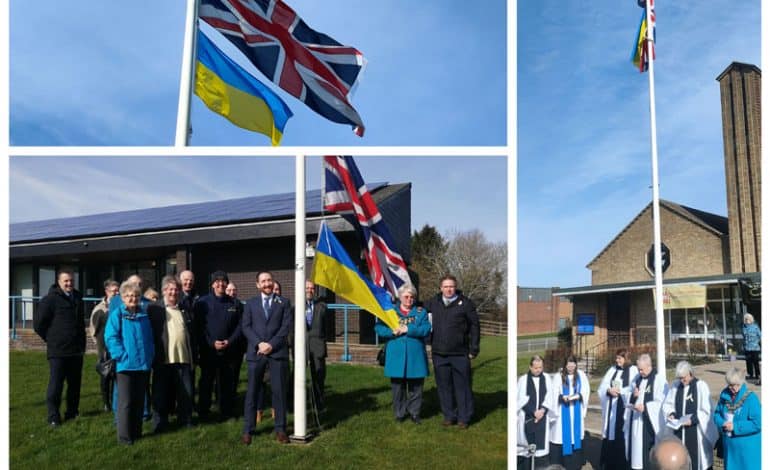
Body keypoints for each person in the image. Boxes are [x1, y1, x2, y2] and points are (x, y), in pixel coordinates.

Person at [241, 271, 293, 445]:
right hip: (256, 354)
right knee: (252, 393)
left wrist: (271, 345)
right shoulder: (250, 303)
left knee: (279, 393)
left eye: (269, 280)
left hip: (277, 353)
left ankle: (280, 429)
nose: (267, 284)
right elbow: (246, 327)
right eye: (263, 281)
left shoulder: (284, 303)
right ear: (257, 285)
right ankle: (248, 430)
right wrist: (259, 344)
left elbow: (285, 327)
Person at [423, 275, 480, 429]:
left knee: (463, 387)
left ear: (455, 287)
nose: (448, 289)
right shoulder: (433, 303)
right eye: (445, 286)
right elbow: (419, 313)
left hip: (460, 354)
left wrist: (473, 349)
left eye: (451, 286)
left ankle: (464, 418)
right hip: (439, 354)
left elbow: (475, 327)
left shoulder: (466, 304)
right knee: (444, 387)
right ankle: (449, 416)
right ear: (440, 288)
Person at [33, 268, 86, 427]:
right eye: (66, 281)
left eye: (71, 280)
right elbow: (38, 325)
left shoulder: (78, 297)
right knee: (56, 384)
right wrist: (51, 339)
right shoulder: (50, 300)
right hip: (58, 350)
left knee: (75, 384)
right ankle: (53, 416)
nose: (69, 283)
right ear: (59, 282)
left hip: (76, 350)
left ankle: (72, 412)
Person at [104, 281, 155, 445]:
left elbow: (150, 339)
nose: (133, 298)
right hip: (125, 365)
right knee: (125, 403)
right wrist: (121, 356)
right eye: (129, 296)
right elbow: (111, 337)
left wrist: (150, 355)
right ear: (123, 298)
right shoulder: (117, 314)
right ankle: (124, 437)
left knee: (139, 401)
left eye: (136, 295)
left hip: (142, 365)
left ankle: (137, 432)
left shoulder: (144, 315)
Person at [374, 284, 431, 425]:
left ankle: (414, 413)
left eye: (412, 297)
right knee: (397, 387)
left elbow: (426, 329)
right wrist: (390, 332)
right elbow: (378, 328)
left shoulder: (421, 312)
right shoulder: (390, 311)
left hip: (415, 355)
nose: (409, 299)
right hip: (396, 355)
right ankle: (399, 413)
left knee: (416, 387)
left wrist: (408, 329)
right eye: (406, 296)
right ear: (400, 297)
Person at [148, 275, 196, 432]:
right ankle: (160, 423)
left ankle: (186, 420)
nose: (173, 292)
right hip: (163, 359)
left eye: (176, 289)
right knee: (160, 395)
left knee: (186, 393)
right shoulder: (155, 309)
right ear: (163, 291)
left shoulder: (184, 310)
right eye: (170, 289)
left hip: (183, 359)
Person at [195, 270, 243, 420]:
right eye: (217, 281)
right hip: (209, 350)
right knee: (206, 382)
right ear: (212, 284)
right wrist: (211, 343)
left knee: (227, 382)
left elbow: (241, 326)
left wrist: (229, 341)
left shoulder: (235, 303)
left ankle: (227, 411)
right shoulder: (202, 303)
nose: (220, 284)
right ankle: (204, 411)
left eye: (223, 281)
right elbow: (199, 327)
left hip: (229, 351)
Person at [661, 361, 718, 470]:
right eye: (680, 378)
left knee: (697, 462)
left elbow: (706, 411)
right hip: (679, 432)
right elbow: (668, 404)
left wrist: (692, 420)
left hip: (695, 432)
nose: (682, 380)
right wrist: (671, 414)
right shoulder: (675, 386)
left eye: (684, 377)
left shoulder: (701, 386)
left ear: (690, 373)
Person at [623, 353, 667, 470]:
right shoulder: (637, 379)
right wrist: (633, 395)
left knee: (648, 456)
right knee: (636, 455)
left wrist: (646, 408)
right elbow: (627, 395)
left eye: (641, 369)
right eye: (638, 369)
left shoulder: (659, 380)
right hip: (636, 422)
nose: (640, 372)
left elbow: (663, 401)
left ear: (649, 366)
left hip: (649, 424)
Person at [713, 366, 761, 469]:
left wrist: (735, 427)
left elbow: (758, 424)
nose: (733, 388)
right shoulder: (724, 395)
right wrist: (722, 423)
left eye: (737, 385)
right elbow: (717, 414)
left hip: (747, 452)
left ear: (742, 383)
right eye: (730, 385)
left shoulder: (751, 398)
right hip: (730, 450)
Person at [598, 348, 638, 470]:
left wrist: (621, 391)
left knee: (622, 435)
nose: (617, 360)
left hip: (624, 409)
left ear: (626, 358)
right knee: (610, 435)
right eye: (616, 358)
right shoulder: (612, 370)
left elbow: (634, 388)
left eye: (619, 358)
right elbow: (602, 386)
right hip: (611, 409)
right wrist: (608, 390)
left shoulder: (633, 370)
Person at [549, 356, 590, 470]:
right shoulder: (558, 376)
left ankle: (575, 464)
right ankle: (560, 463)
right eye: (568, 363)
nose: (571, 366)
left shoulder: (581, 375)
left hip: (576, 410)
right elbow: (553, 394)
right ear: (565, 364)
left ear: (576, 364)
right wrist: (562, 398)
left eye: (573, 363)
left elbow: (585, 391)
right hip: (563, 412)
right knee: (561, 437)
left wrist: (579, 396)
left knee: (575, 438)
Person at [517, 355, 554, 468]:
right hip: (527, 416)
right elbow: (520, 399)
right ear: (530, 367)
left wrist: (542, 410)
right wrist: (533, 412)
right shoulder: (523, 380)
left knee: (540, 451)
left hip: (542, 417)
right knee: (527, 449)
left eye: (540, 367)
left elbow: (550, 396)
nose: (538, 370)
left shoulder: (547, 378)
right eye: (536, 368)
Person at [90, 279, 120, 411]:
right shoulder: (100, 309)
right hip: (104, 349)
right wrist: (100, 348)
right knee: (106, 375)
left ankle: (115, 400)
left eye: (118, 290)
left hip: (118, 346)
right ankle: (106, 402)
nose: (116, 293)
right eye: (114, 291)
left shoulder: (120, 305)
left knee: (117, 375)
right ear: (107, 292)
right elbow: (93, 330)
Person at [303, 280, 328, 410]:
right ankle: (298, 404)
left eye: (312, 288)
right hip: (302, 347)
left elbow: (326, 328)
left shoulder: (322, 307)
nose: (309, 290)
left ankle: (319, 404)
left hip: (317, 347)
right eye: (307, 287)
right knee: (298, 377)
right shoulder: (295, 306)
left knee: (318, 376)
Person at [742, 313, 761, 383]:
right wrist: (744, 345)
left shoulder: (755, 327)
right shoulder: (744, 327)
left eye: (748, 319)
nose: (746, 320)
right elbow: (744, 337)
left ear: (751, 319)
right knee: (748, 362)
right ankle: (750, 374)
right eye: (745, 319)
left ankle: (757, 375)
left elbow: (760, 335)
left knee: (756, 361)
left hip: (755, 348)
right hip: (747, 347)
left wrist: (756, 342)